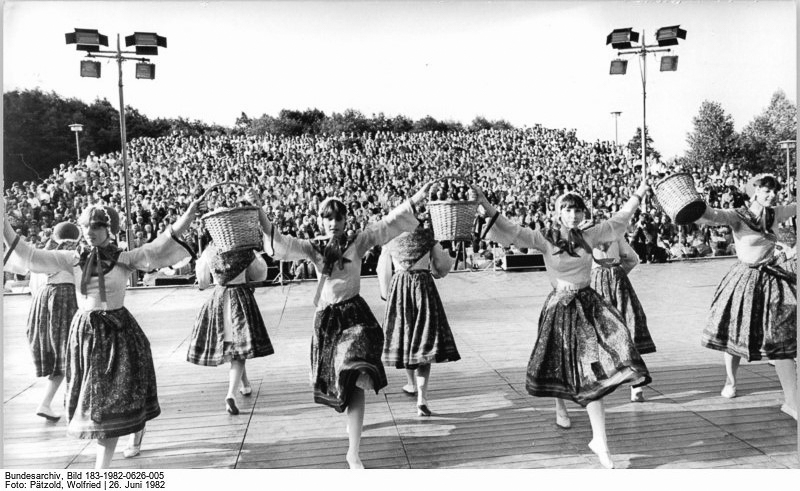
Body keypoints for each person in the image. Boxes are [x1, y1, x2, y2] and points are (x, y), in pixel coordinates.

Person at [3, 193, 207, 469]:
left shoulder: (125, 258)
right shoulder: (72, 259)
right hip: (85, 336)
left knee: (115, 398)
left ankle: (104, 470)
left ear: (109, 229)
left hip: (118, 333)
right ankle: (120, 449)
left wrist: (189, 214)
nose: (90, 232)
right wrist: (3, 221)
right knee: (98, 401)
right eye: (87, 226)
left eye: (97, 226)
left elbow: (161, 245)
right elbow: (29, 255)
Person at [252, 183, 433, 469]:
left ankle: (354, 452)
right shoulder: (313, 247)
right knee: (342, 385)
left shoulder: (358, 242)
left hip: (355, 317)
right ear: (320, 219)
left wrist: (417, 197)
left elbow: (387, 224)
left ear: (346, 219)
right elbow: (281, 242)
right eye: (328, 218)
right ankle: (353, 431)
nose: (333, 223)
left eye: (338, 217)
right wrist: (259, 210)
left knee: (356, 372)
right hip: (327, 321)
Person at [473, 180, 652, 469]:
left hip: (588, 305)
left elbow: (619, 219)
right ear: (558, 213)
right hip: (559, 307)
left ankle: (601, 442)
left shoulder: (590, 234)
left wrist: (639, 194)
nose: (573, 215)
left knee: (594, 371)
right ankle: (560, 407)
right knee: (560, 363)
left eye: (577, 210)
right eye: (567, 210)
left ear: (583, 214)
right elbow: (510, 229)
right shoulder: (545, 237)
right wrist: (483, 201)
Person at [696, 174, 797, 420]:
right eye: (766, 190)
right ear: (754, 191)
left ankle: (793, 402)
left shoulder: (775, 213)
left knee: (781, 336)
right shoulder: (738, 215)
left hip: (773, 278)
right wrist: (694, 207)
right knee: (734, 332)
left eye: (774, 191)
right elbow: (712, 215)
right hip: (744, 278)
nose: (771, 195)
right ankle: (730, 381)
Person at [377, 219, 459, 417]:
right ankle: (422, 398)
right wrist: (436, 271)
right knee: (424, 340)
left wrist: (386, 293)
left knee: (405, 336)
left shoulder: (390, 239)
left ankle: (411, 383)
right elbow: (442, 265)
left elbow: (382, 270)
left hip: (399, 287)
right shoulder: (427, 237)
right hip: (423, 287)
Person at [4, 222, 81, 421]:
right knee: (72, 352)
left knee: (61, 356)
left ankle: (48, 403)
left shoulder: (43, 253)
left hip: (42, 304)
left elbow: (31, 280)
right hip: (64, 299)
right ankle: (65, 402)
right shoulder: (71, 254)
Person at [187, 243, 273, 415]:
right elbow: (260, 274)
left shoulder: (209, 251)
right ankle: (231, 394)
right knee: (239, 348)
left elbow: (202, 282)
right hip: (240, 298)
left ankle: (245, 384)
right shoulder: (244, 249)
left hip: (219, 299)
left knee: (236, 348)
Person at [591, 236, 656, 402]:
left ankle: (594, 381)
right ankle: (636, 385)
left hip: (594, 281)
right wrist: (617, 274)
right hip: (618, 280)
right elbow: (632, 259)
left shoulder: (580, 236)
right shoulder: (614, 234)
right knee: (627, 327)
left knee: (598, 331)